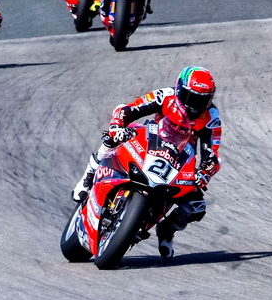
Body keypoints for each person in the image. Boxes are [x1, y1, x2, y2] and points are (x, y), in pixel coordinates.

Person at [71, 67, 222, 259]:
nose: (194, 105)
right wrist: (118, 127)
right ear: (179, 89)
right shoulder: (165, 96)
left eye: (201, 100)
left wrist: (204, 174)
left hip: (179, 160)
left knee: (197, 207)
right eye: (190, 97)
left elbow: (211, 154)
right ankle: (89, 175)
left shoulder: (211, 117)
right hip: (150, 141)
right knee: (113, 138)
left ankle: (167, 229)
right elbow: (129, 110)